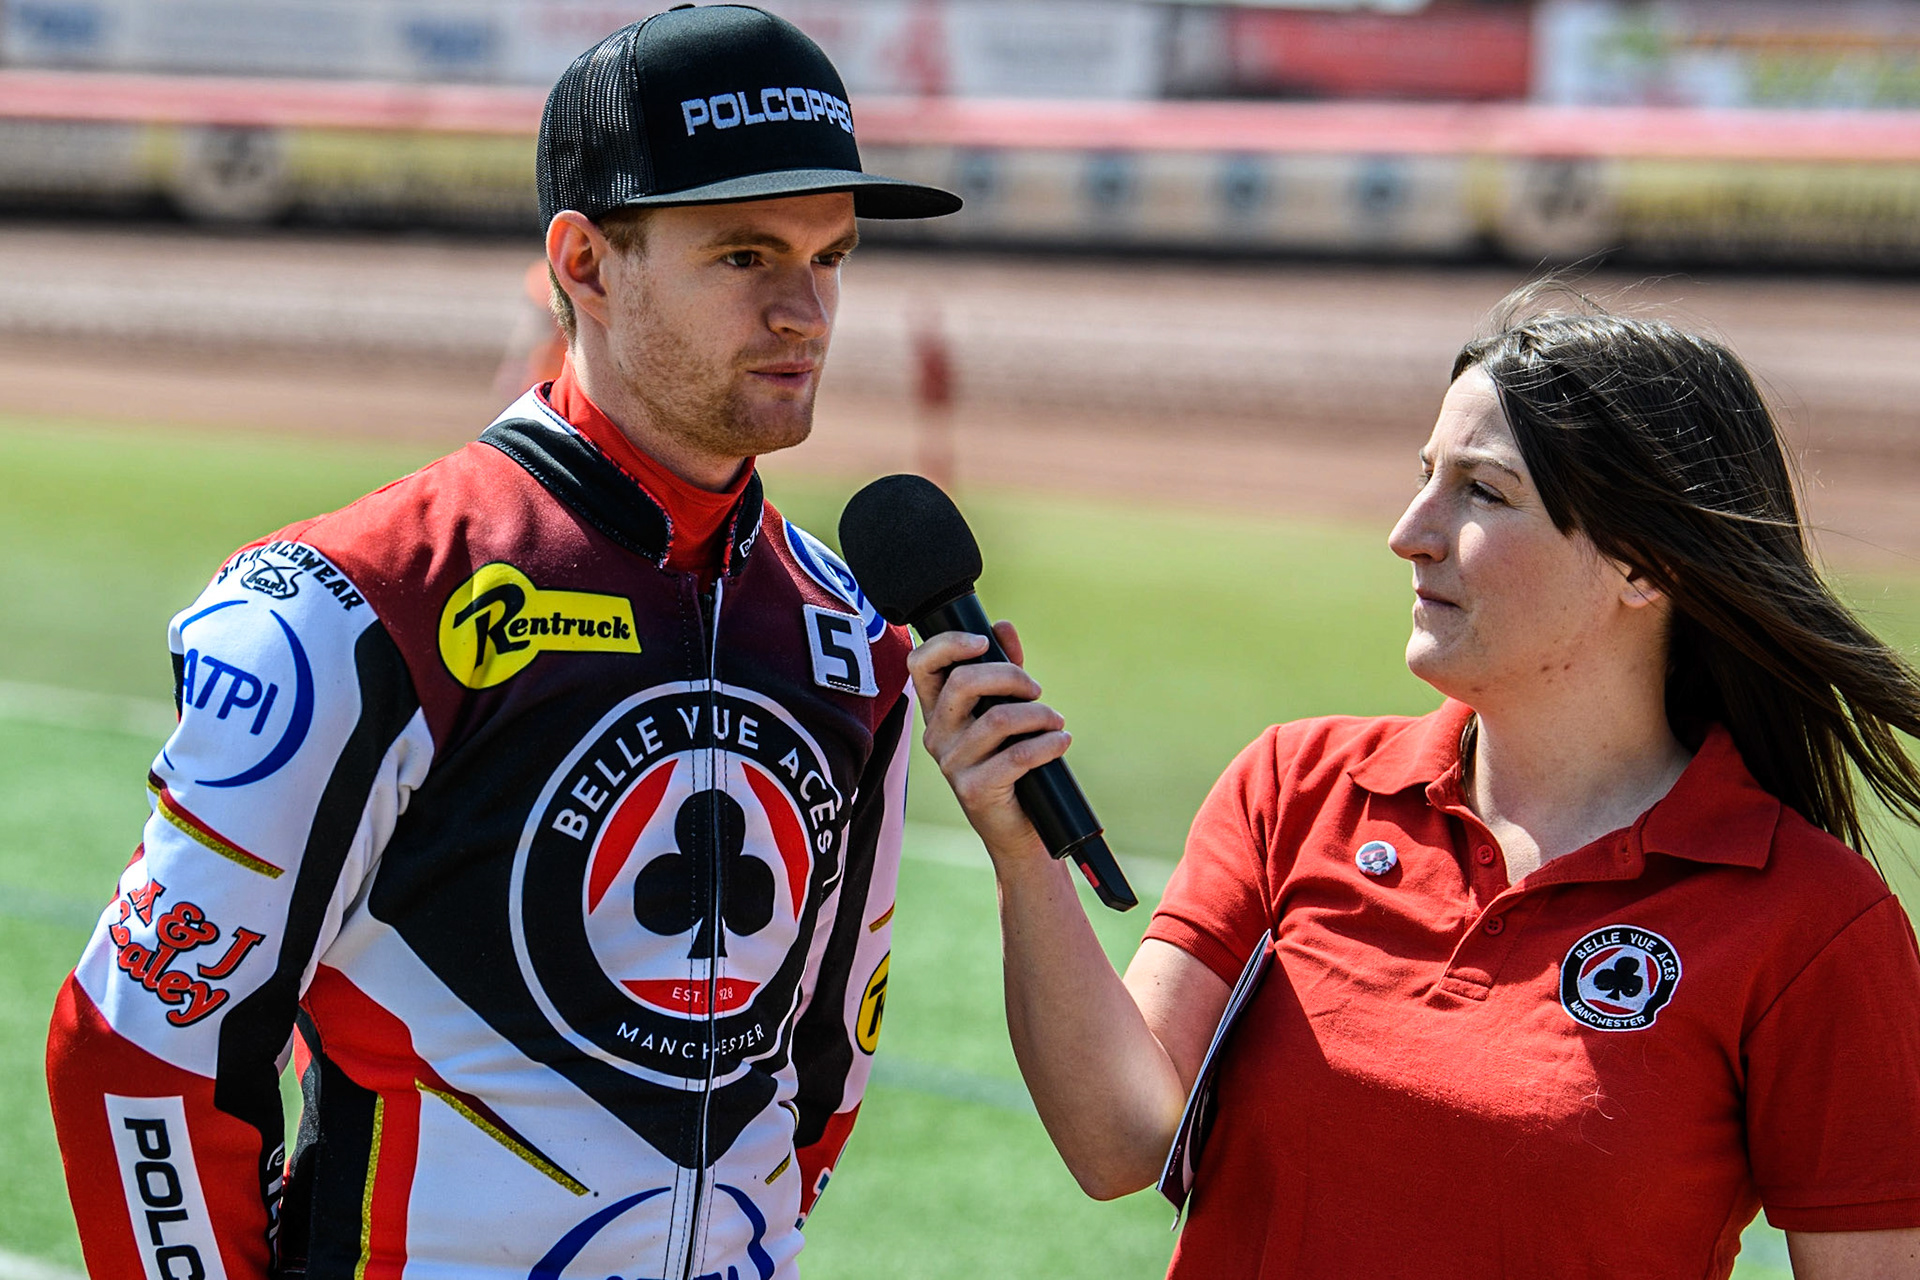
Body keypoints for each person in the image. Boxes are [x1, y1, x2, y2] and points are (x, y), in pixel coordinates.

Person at [45, 7, 958, 1278]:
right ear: (584, 262)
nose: (804, 310)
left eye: (831, 255)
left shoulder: (851, 636)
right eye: (745, 255)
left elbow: (820, 1063)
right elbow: (139, 1048)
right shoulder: (356, 600)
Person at [909, 288, 1920, 1278]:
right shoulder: (1294, 786)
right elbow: (1118, 1140)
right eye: (1425, 475)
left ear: (1643, 564)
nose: (1410, 530)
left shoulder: (1812, 923)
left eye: (1483, 490)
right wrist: (1022, 854)